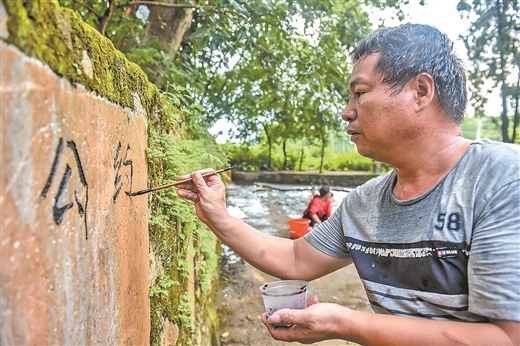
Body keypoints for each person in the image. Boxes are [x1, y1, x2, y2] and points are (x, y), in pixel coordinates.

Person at [177, 23, 520, 345]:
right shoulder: (364, 202)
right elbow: (297, 258)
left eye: (360, 93)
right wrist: (217, 216)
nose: (346, 111)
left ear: (420, 92)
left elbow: (507, 337)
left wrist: (344, 323)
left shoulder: (502, 179)